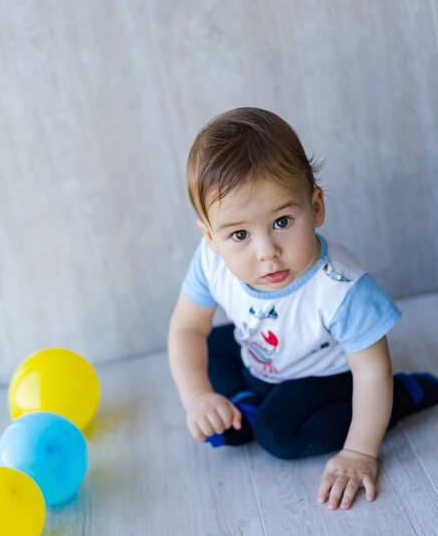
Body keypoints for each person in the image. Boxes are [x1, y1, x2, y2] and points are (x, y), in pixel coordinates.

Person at [168, 107, 438, 511]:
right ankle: (240, 403)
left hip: (327, 373)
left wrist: (360, 452)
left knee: (279, 435)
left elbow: (370, 368)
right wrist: (198, 398)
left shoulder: (339, 287)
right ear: (210, 236)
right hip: (262, 353)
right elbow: (187, 329)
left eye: (282, 222)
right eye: (239, 234)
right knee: (212, 349)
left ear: (316, 207)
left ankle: (404, 395)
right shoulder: (210, 261)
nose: (267, 252)